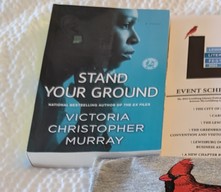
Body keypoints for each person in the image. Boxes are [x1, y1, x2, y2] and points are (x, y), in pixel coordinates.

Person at [28, 6, 140, 152]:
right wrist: (97, 112)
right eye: (125, 25)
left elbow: (49, 155)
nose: (136, 39)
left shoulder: (54, 86)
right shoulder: (29, 90)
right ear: (73, 27)